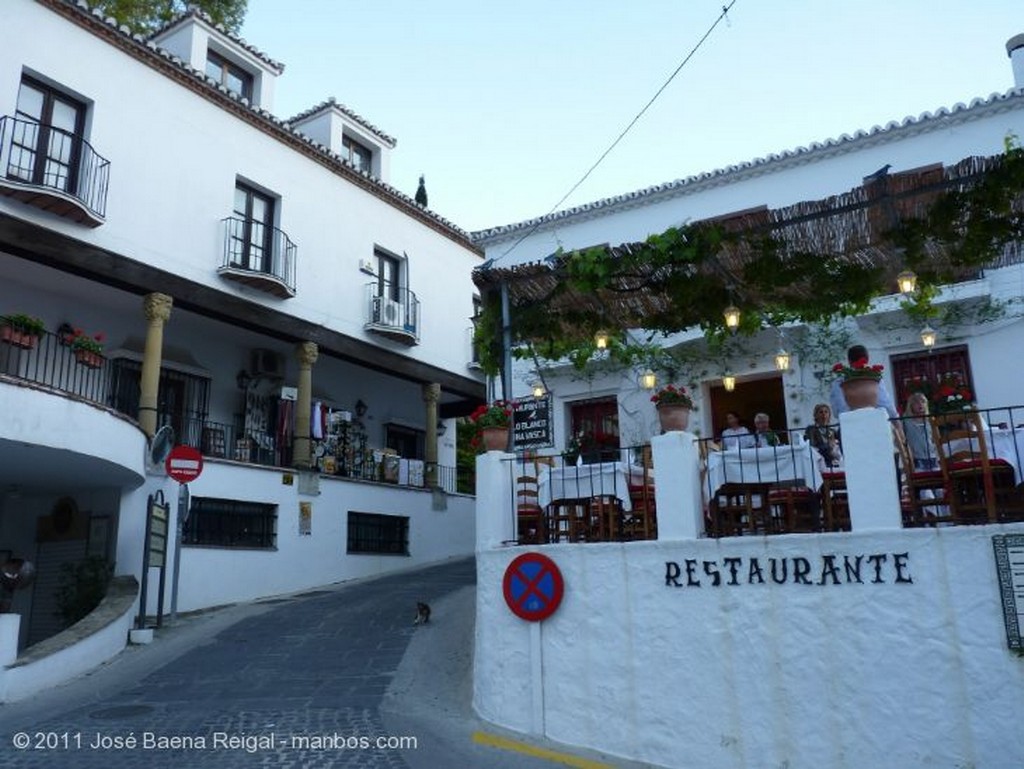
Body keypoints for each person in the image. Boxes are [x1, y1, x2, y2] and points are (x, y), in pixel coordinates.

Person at [829, 344, 899, 419]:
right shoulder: (874, 378)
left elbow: (837, 412)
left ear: (849, 361)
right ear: (867, 359)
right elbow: (886, 404)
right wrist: (896, 420)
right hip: (875, 421)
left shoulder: (839, 383)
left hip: (849, 423)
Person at [904, 392, 938, 470]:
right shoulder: (906, 421)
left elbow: (935, 437)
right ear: (911, 405)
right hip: (915, 458)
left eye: (923, 402)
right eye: (916, 402)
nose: (920, 404)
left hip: (932, 457)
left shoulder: (930, 420)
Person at [804, 403, 842, 467]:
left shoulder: (832, 431)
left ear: (829, 415)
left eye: (826, 412)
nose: (824, 414)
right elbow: (812, 446)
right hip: (819, 460)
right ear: (816, 415)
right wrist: (828, 446)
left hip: (834, 461)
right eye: (821, 412)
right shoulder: (811, 429)